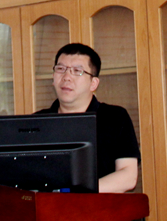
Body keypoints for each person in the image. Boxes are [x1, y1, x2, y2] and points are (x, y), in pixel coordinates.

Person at [36, 43, 140, 193]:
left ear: (93, 83)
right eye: (60, 69)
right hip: (46, 206)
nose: (66, 77)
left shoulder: (116, 118)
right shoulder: (36, 122)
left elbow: (128, 177)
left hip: (100, 206)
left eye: (77, 71)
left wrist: (77, 193)